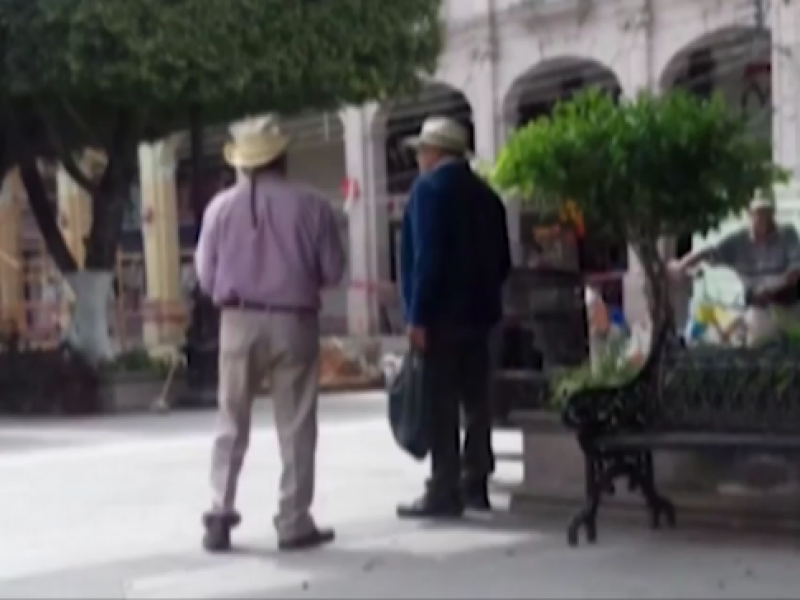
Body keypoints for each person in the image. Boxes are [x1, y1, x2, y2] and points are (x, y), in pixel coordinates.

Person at [195, 117, 346, 553]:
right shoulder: (312, 205)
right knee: (296, 423)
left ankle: (219, 514)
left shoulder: (218, 209)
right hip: (293, 320)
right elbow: (333, 271)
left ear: (243, 162)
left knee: (230, 420)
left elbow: (205, 277)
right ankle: (293, 520)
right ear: (282, 156)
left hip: (237, 321)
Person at [397, 116, 512, 518]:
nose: (418, 159)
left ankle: (443, 488)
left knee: (442, 404)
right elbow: (502, 261)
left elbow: (428, 259)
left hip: (441, 318)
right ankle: (476, 481)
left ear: (433, 153)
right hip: (480, 317)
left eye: (421, 152)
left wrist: (418, 316)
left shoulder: (428, 191)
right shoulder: (487, 195)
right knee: (477, 403)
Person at [670, 196, 800, 347]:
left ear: (772, 218)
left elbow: (794, 272)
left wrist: (772, 287)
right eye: (757, 218)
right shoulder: (738, 241)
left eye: (766, 218)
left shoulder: (787, 234)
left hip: (789, 302)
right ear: (750, 217)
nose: (761, 226)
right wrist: (681, 265)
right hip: (760, 306)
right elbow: (709, 252)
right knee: (758, 344)